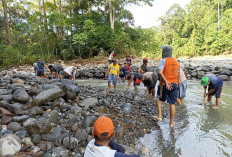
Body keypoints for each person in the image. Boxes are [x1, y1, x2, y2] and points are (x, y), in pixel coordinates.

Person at [154, 45, 180, 127]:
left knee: (159, 99)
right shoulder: (177, 61)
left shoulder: (163, 61)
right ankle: (171, 123)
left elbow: (160, 72)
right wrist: (176, 84)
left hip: (164, 84)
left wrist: (166, 81)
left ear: (164, 52)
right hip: (174, 84)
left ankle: (159, 116)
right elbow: (178, 75)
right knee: (172, 104)